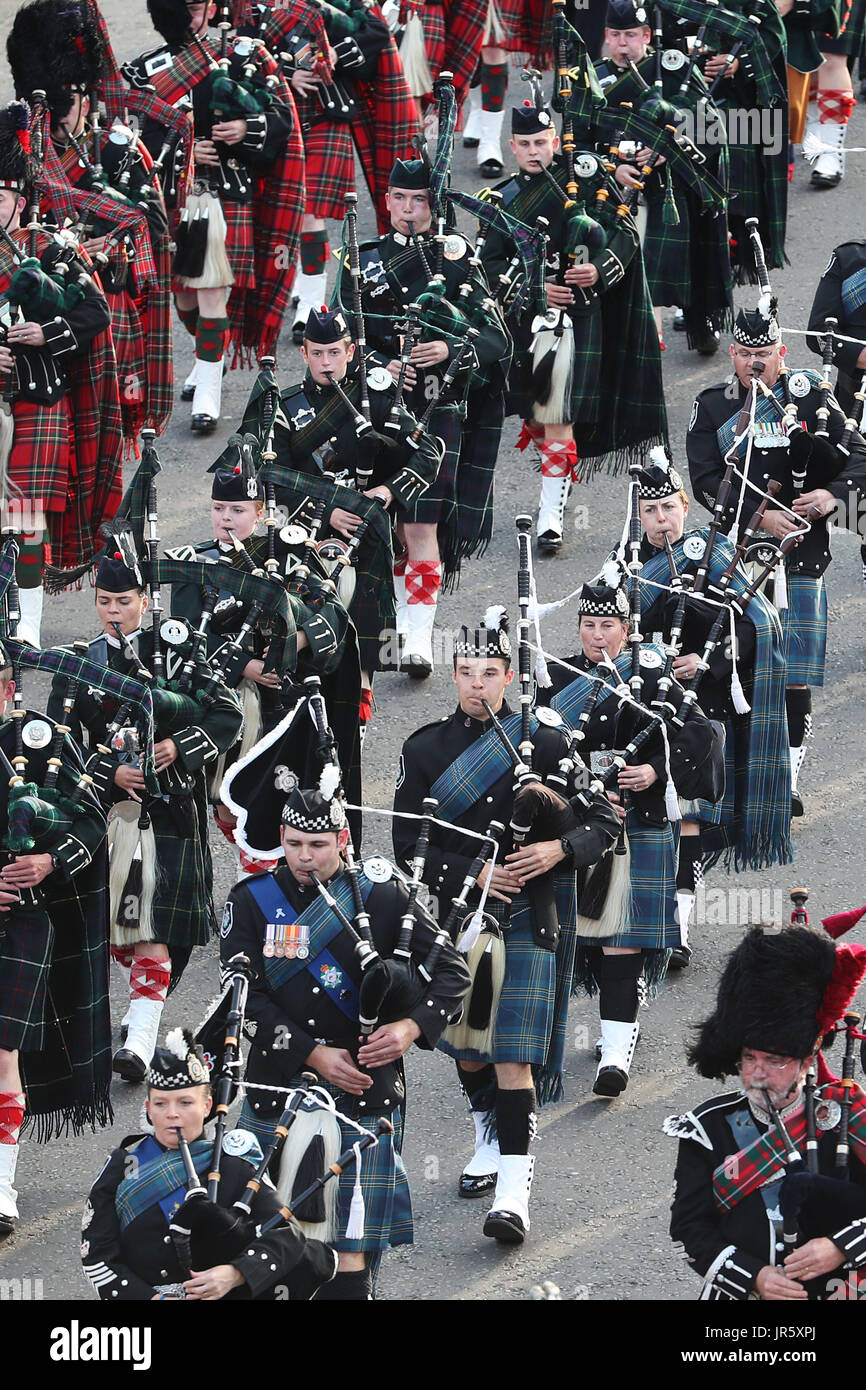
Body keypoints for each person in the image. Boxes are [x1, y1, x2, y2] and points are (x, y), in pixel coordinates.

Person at [393, 608, 619, 1241]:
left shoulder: (544, 739)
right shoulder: (425, 747)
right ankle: (486, 1131)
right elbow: (408, 840)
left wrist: (555, 851)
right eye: (465, 672)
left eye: (489, 673)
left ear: (511, 675)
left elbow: (604, 823)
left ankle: (515, 1193)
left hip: (529, 915)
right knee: (465, 1050)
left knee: (513, 1055)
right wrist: (478, 869)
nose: (476, 684)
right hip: (459, 914)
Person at [221, 785, 470, 1298]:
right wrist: (311, 1053)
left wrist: (409, 1028)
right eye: (292, 845)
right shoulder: (251, 900)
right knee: (264, 1234)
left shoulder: (383, 897)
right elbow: (242, 999)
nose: (304, 857)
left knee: (349, 1243)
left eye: (316, 845)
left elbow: (452, 973)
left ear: (342, 839)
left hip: (365, 1089)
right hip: (279, 1083)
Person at [47, 549, 243, 1083]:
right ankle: (142, 1009)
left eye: (125, 601)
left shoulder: (177, 648)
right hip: (113, 816)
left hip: (173, 811)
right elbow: (59, 750)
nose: (115, 611)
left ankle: (139, 1032)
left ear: (144, 601)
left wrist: (179, 747)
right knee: (128, 926)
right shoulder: (78, 662)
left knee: (152, 922)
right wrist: (109, 772)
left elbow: (227, 712)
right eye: (105, 601)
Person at [541, 576, 721, 1093]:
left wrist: (656, 774)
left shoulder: (650, 672)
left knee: (622, 944)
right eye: (589, 624)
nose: (598, 635)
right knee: (588, 944)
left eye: (609, 625)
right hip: (574, 826)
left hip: (637, 823)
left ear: (627, 628)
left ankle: (614, 1055)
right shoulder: (555, 676)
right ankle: (618, 1027)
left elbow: (702, 735)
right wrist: (583, 791)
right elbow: (534, 748)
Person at [686, 305, 866, 816]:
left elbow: (859, 452)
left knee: (793, 674)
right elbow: (702, 479)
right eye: (745, 354)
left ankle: (787, 777)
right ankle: (736, 775)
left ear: (781, 352)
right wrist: (758, 520)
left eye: (764, 354)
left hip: (803, 555)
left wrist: (833, 495)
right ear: (732, 354)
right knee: (736, 664)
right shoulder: (713, 407)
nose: (755, 364)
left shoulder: (810, 395)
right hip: (738, 554)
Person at [232, 305, 440, 730]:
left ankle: (354, 742)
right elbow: (269, 475)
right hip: (302, 542)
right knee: (309, 646)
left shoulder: (378, 398)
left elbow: (429, 452)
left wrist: (387, 492)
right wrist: (330, 507)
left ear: (350, 352)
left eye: (334, 352)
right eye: (316, 353)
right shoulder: (285, 407)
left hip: (366, 542)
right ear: (304, 354)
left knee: (362, 652)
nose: (325, 363)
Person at [342, 153, 511, 675]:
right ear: (386, 201)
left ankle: (417, 636)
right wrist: (384, 365)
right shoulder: (361, 260)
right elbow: (340, 337)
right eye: (399, 199)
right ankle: (396, 624)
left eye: (419, 201)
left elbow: (496, 338)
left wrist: (449, 349)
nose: (408, 210)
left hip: (437, 407)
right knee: (386, 522)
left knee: (421, 524)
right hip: (376, 408)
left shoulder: (459, 261)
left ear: (433, 207)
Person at [479, 89, 665, 553]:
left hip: (582, 320)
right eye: (525, 145)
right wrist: (535, 289)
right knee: (542, 420)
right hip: (529, 323)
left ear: (555, 140)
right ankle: (553, 495)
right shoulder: (500, 200)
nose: (534, 152)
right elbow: (486, 269)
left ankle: (551, 515)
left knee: (559, 417)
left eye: (542, 142)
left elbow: (624, 237)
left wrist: (600, 268)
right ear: (512, 148)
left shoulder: (585, 183)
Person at [627, 449, 791, 965]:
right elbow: (605, 632)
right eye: (649, 512)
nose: (660, 521)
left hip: (707, 701)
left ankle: (677, 927)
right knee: (661, 813)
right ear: (639, 516)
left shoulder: (715, 549)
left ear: (684, 506)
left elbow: (760, 624)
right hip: (649, 703)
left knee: (692, 814)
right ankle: (651, 918)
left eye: (668, 509)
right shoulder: (625, 562)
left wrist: (709, 659)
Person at [168, 453, 360, 872]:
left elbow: (334, 614)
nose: (226, 518)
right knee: (225, 802)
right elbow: (183, 635)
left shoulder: (289, 555)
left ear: (259, 513)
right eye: (219, 509)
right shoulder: (192, 563)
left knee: (274, 794)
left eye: (237, 510)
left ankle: (257, 878)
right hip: (225, 700)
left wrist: (294, 643)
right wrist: (246, 667)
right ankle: (253, 873)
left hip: (284, 703)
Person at [124, 0, 303, 430]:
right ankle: (212, 359)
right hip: (176, 198)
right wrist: (184, 150)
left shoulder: (246, 53)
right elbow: (132, 135)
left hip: (228, 192)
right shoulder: (149, 69)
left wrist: (244, 130)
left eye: (198, 4)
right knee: (184, 297)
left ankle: (208, 390)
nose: (193, 13)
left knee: (211, 292)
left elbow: (281, 119)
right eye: (183, 6)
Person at [667, 921, 866, 1300]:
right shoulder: (707, 1127)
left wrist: (842, 1246)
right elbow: (690, 1229)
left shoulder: (846, 1113)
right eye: (748, 1057)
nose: (757, 1073)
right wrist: (754, 1276)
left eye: (774, 1060)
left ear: (807, 1060)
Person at [7, 0, 174, 449]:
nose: (64, 113)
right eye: (56, 99)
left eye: (72, 99)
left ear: (87, 96)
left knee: (105, 428)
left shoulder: (118, 150)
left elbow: (154, 227)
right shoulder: (24, 156)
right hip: (41, 301)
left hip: (106, 300)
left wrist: (109, 237)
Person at [80, 1027, 338, 1299]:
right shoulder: (122, 1165)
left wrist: (236, 1273)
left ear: (207, 1106)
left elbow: (287, 1234)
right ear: (148, 1108)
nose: (172, 1115)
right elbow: (97, 1257)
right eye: (160, 1104)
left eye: (185, 1103)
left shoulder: (232, 1163)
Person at [0, 99, 123, 646]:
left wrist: (45, 334)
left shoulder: (51, 248)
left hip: (37, 399)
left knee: (26, 522)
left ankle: (26, 626)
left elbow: (94, 314)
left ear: (20, 199)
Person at [0, 640, 111, 1233]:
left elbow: (91, 821)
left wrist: (48, 864)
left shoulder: (40, 741)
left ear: (8, 688)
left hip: (20, 921)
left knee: (3, 1052)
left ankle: (1, 1185)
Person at [249, 0, 420, 333]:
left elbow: (375, 31)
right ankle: (303, 277)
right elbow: (241, 56)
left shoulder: (336, 4)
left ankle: (313, 302)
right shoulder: (255, 7)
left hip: (326, 110)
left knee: (308, 208)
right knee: (291, 214)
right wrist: (286, 75)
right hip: (276, 112)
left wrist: (336, 55)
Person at [590, 0, 732, 355]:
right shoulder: (593, 77)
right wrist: (611, 169)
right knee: (634, 266)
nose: (623, 43)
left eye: (631, 35)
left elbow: (712, 128)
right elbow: (575, 139)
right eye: (616, 35)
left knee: (689, 257)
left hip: (675, 186)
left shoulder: (674, 70)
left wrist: (670, 149)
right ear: (606, 36)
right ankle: (640, 338)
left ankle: (699, 315)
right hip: (618, 188)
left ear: (647, 36)